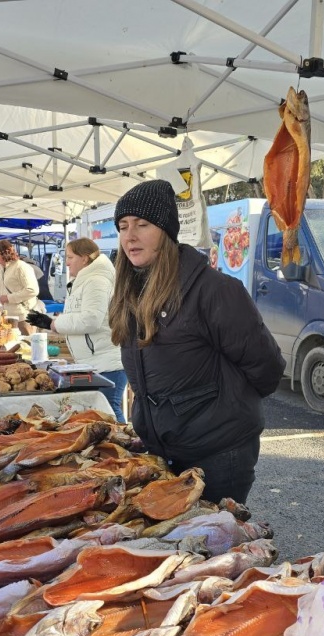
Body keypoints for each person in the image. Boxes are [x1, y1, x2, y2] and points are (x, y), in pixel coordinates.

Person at [108, 179, 284, 503]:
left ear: (166, 231)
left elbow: (267, 367)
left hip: (218, 455)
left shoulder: (214, 290)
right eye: (123, 226)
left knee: (213, 534)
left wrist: (223, 407)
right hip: (164, 452)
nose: (130, 236)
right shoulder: (129, 293)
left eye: (142, 225)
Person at [27, 238, 127, 421]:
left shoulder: (96, 281)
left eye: (70, 257)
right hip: (95, 361)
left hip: (107, 363)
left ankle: (126, 440)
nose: (66, 262)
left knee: (108, 411)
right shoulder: (85, 280)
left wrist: (54, 324)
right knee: (99, 413)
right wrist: (52, 323)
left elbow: (91, 319)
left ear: (85, 258)